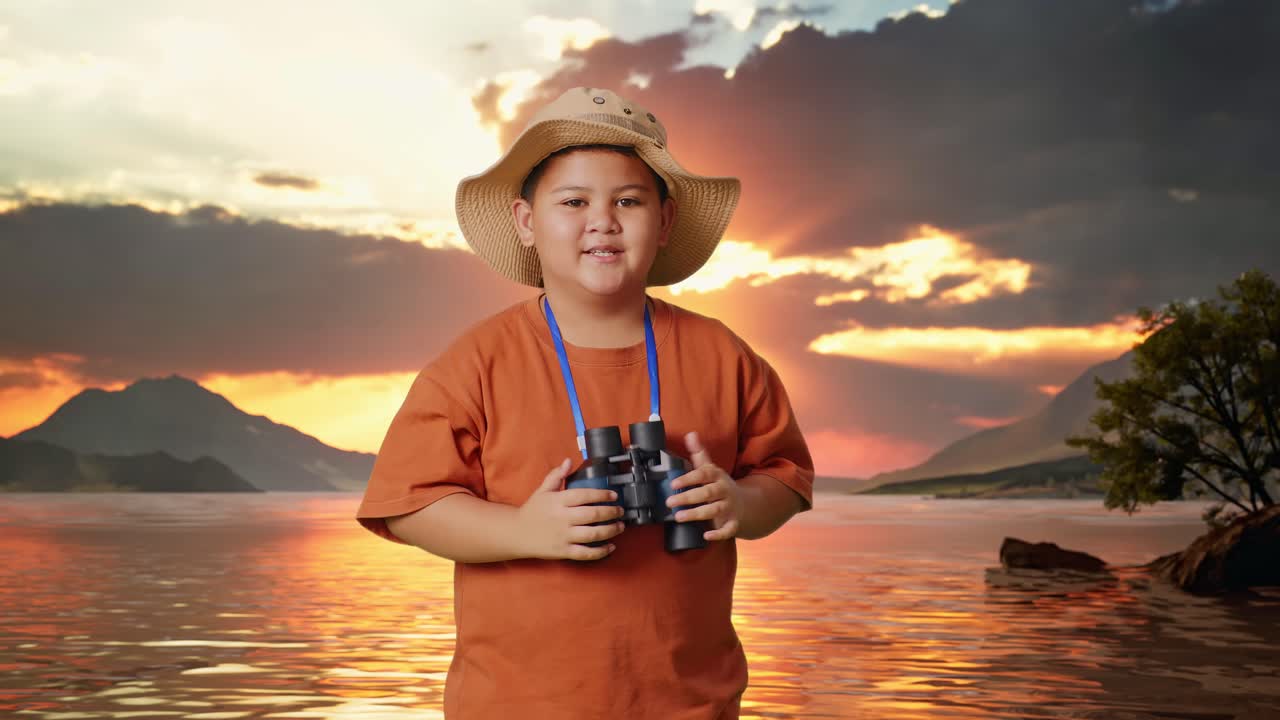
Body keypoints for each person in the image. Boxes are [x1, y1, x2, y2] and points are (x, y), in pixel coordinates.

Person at [356, 86, 814, 719]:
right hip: (517, 704)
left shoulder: (724, 356)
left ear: (666, 221)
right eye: (573, 201)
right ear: (526, 222)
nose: (604, 219)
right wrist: (521, 530)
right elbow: (408, 505)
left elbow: (786, 478)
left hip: (690, 702)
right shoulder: (475, 364)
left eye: (629, 200)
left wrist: (739, 503)